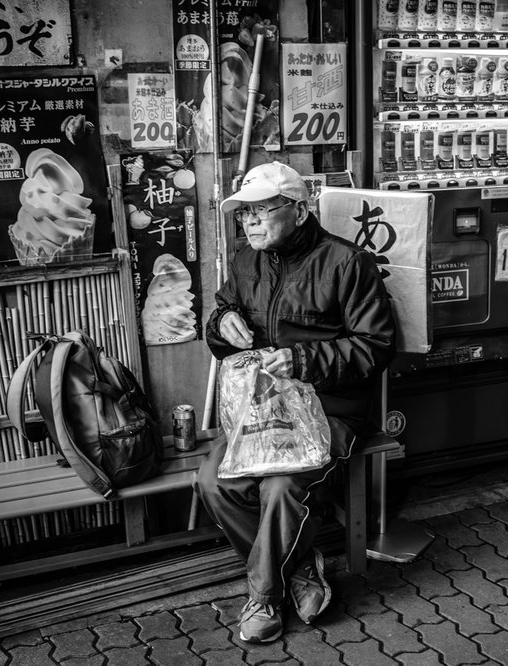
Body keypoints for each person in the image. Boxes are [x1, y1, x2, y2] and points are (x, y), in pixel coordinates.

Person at [197, 161, 396, 643]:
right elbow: (220, 315)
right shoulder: (247, 261)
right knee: (214, 481)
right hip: (265, 408)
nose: (250, 222)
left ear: (300, 210)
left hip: (331, 408)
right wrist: (221, 324)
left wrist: (304, 360)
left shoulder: (346, 263)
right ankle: (301, 567)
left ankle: (265, 597)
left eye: (262, 211)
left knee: (281, 486)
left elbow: (375, 346)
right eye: (245, 214)